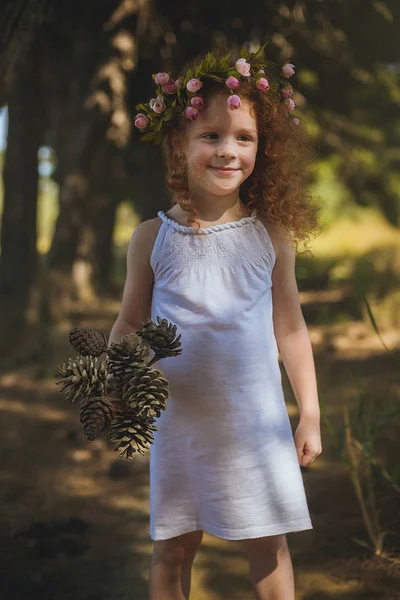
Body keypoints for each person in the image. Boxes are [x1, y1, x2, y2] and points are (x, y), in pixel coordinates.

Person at [108, 43, 323, 600]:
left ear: (262, 149)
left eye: (244, 138)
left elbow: (291, 329)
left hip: (256, 424)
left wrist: (311, 414)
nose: (228, 150)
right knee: (173, 549)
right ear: (180, 145)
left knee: (268, 546)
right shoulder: (152, 238)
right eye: (211, 136)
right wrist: (115, 385)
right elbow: (130, 322)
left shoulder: (270, 237)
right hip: (179, 423)